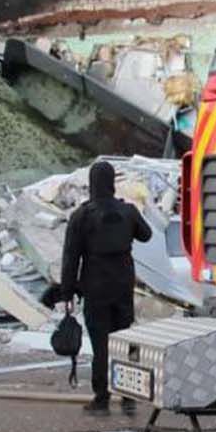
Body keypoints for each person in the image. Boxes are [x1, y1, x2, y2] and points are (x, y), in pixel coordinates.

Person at [59, 160, 151, 414]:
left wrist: (67, 292)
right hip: (123, 285)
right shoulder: (128, 211)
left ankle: (102, 399)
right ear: (112, 183)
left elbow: (71, 257)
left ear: (91, 183)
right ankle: (129, 397)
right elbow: (146, 235)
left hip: (95, 286)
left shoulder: (82, 216)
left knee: (101, 343)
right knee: (124, 340)